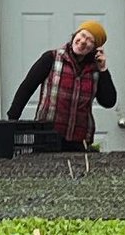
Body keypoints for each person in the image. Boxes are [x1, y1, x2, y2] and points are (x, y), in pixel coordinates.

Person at [7, 18, 117, 149]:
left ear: (95, 49)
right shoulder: (51, 58)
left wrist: (103, 69)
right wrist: (12, 120)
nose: (83, 42)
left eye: (90, 41)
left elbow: (109, 101)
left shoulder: (95, 70)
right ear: (75, 34)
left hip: (79, 140)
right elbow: (26, 88)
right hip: (47, 137)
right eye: (82, 35)